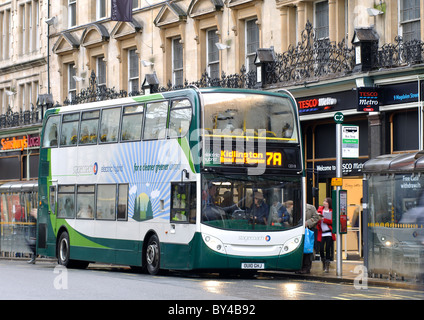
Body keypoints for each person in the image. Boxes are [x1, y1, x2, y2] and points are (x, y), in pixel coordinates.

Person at [297, 203, 321, 274]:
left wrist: (307, 223)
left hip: (308, 230)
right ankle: (299, 267)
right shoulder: (294, 207)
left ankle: (306, 267)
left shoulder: (311, 207)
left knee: (307, 249)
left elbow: (316, 217)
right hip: (296, 230)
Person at [317, 197, 336, 273]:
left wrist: (324, 220)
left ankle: (327, 265)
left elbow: (332, 222)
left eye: (326, 201)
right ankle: (323, 262)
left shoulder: (331, 211)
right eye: (324, 201)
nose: (324, 202)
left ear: (329, 203)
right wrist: (318, 218)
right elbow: (316, 218)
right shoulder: (320, 210)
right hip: (321, 232)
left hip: (329, 232)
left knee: (328, 248)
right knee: (321, 249)